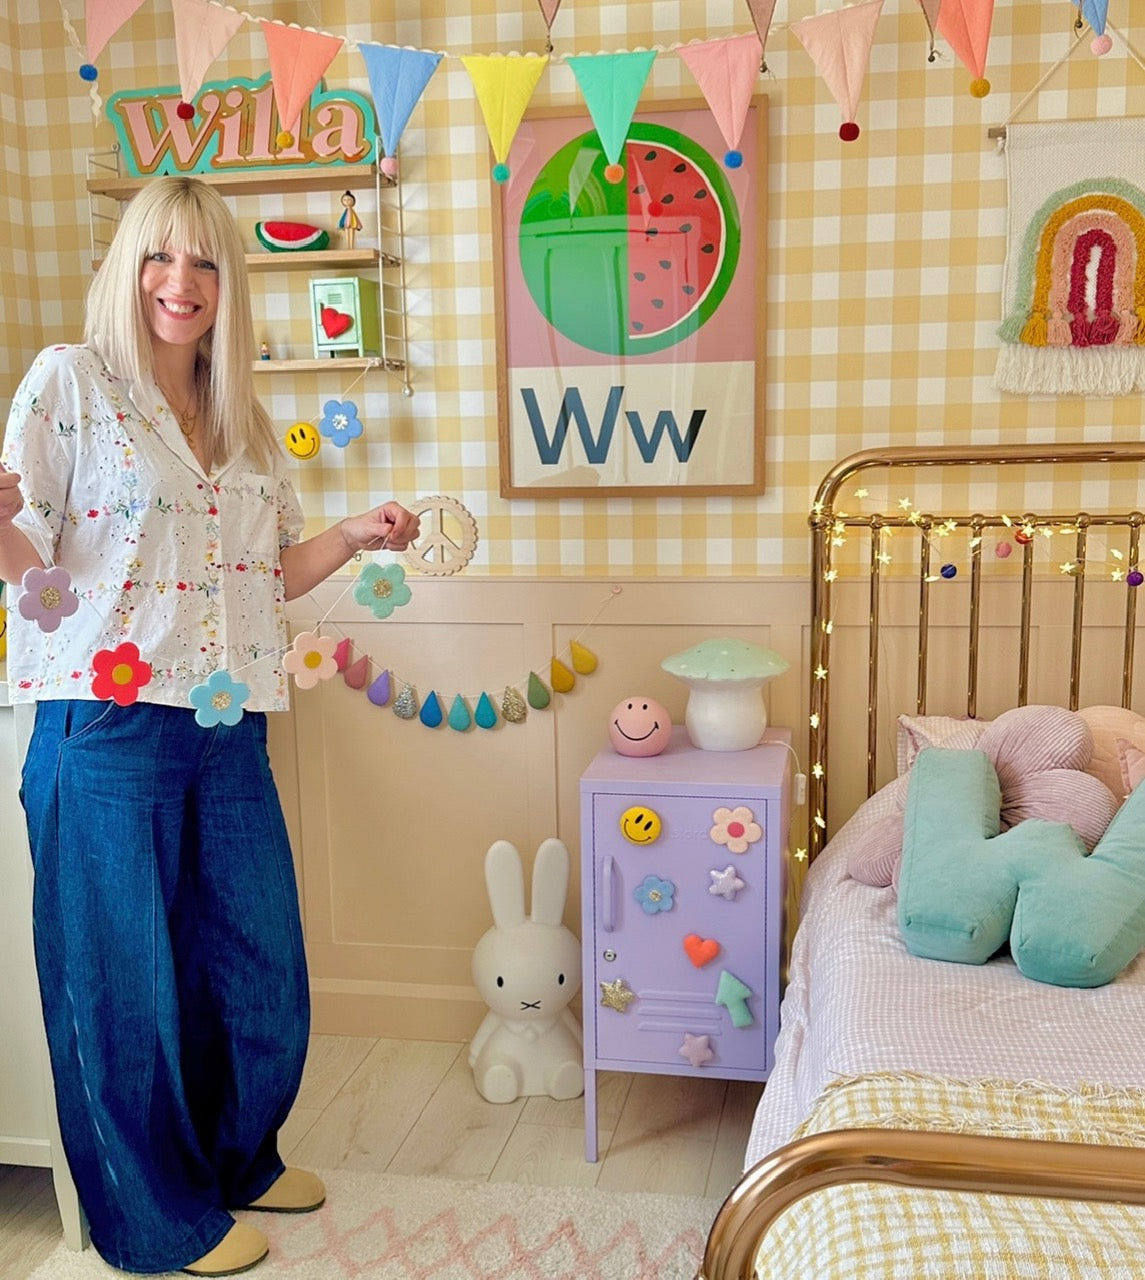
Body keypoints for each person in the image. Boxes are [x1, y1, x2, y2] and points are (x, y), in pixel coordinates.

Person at [0, 176, 419, 1276]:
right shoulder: (71, 383)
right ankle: (152, 1222)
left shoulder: (237, 419)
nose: (178, 283)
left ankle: (239, 1159)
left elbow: (262, 576)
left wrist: (355, 531)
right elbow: (28, 547)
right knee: (120, 977)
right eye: (158, 258)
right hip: (105, 716)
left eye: (202, 263)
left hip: (228, 717)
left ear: (227, 283)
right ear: (126, 266)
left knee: (257, 962)